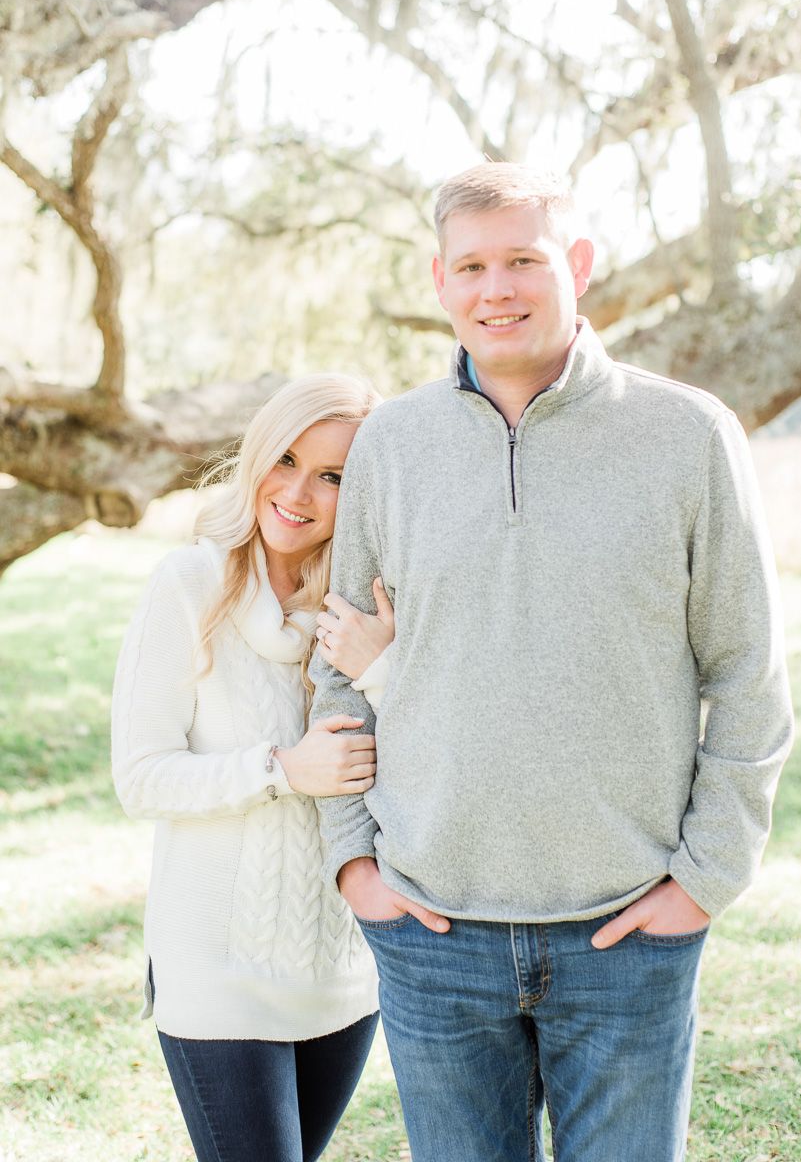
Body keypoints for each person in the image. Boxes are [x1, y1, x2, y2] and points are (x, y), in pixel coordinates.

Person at [309, 164, 795, 1162]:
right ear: (440, 281)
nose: (498, 289)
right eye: (471, 266)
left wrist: (705, 878)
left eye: (523, 260)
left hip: (627, 933)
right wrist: (355, 863)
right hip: (432, 933)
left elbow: (748, 674)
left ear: (576, 263)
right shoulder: (391, 444)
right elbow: (338, 669)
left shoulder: (687, 434)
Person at [111, 373, 396, 1162]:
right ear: (257, 456)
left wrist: (380, 667)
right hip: (217, 975)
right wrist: (280, 770)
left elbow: (427, 764)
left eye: (332, 476)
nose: (298, 493)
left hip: (340, 973)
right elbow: (142, 775)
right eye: (286, 460)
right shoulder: (189, 585)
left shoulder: (370, 604)